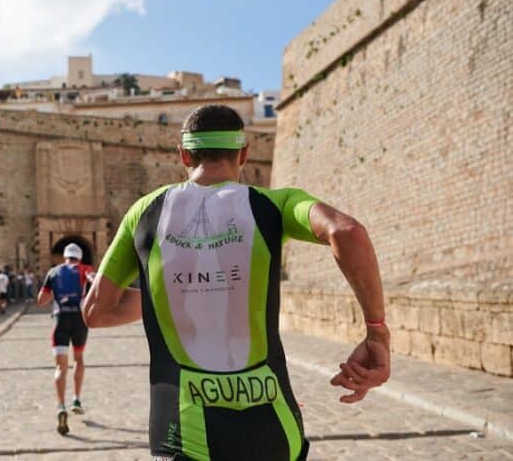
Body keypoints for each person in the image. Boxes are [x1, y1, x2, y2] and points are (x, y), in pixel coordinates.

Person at [82, 105, 390, 460]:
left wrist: (171, 293)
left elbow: (96, 312)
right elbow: (347, 232)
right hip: (273, 425)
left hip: (183, 430)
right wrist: (376, 331)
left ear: (183, 154)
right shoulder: (274, 205)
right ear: (244, 154)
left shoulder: (145, 212)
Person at [37, 243, 96, 435]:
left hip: (60, 319)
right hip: (79, 320)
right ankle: (76, 399)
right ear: (79, 257)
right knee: (78, 359)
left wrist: (57, 292)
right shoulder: (85, 269)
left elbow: (41, 301)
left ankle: (61, 406)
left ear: (65, 257)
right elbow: (93, 280)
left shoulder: (53, 273)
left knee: (60, 367)